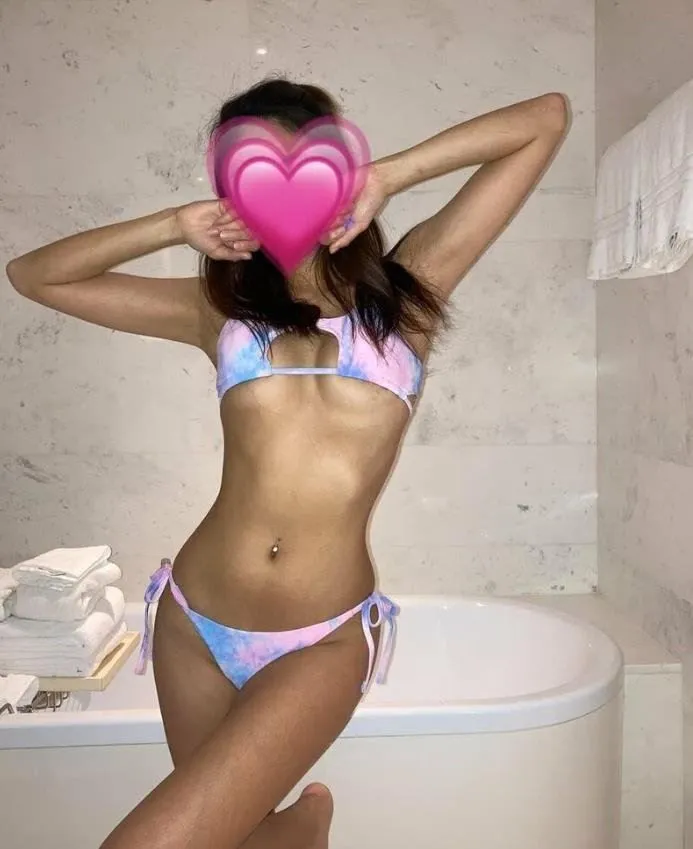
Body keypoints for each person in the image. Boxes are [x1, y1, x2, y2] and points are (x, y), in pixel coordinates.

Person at [5, 77, 568, 849]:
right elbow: (34, 275)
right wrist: (173, 225)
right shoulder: (218, 312)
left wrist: (386, 176)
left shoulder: (406, 295)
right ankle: (301, 831)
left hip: (322, 637)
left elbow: (543, 120)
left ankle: (304, 823)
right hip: (193, 623)